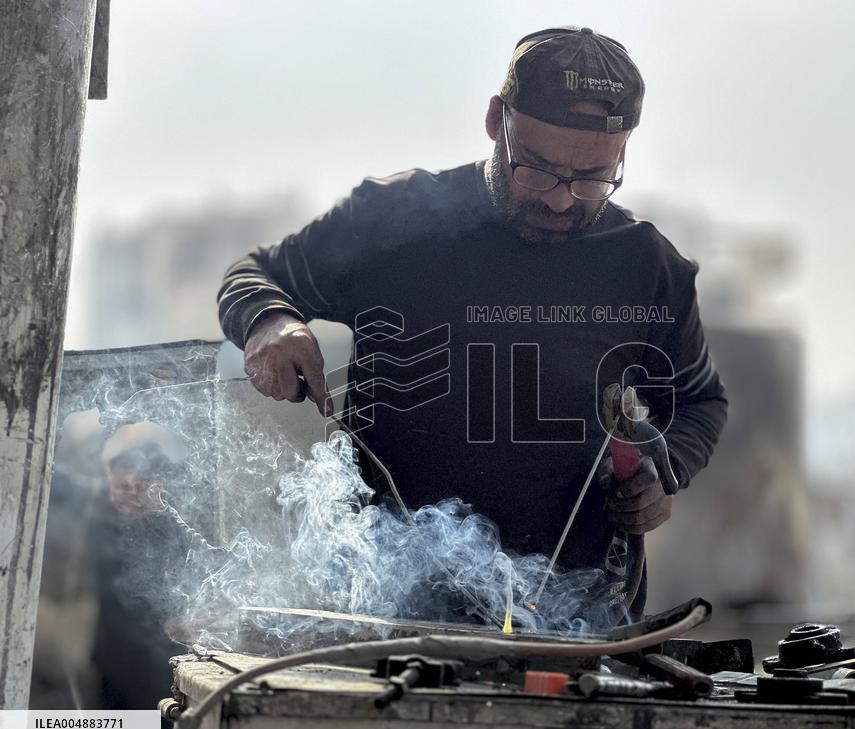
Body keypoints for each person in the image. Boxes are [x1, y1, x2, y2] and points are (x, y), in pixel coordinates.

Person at [217, 26, 727, 623]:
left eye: (591, 179)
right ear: (495, 120)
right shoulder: (394, 220)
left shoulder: (647, 265)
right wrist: (270, 321)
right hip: (388, 601)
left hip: (579, 612)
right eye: (535, 169)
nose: (561, 201)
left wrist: (662, 471)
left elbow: (700, 402)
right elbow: (254, 275)